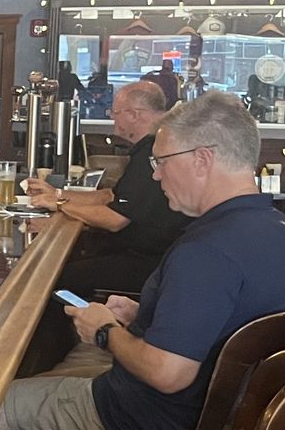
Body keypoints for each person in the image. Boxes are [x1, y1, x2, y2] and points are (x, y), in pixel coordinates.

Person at [0, 91, 285, 430]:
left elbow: (167, 372)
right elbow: (224, 324)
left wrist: (106, 331)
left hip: (145, 429)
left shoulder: (207, 250)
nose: (156, 175)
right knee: (57, 381)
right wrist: (145, 313)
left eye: (161, 162)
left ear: (202, 159)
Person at [21, 81, 186, 371]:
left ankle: (40, 364)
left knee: (51, 278)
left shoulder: (151, 152)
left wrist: (58, 206)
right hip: (147, 255)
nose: (112, 119)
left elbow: (115, 219)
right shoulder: (149, 148)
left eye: (116, 112)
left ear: (135, 114)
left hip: (147, 262)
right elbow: (112, 196)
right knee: (63, 265)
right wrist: (58, 194)